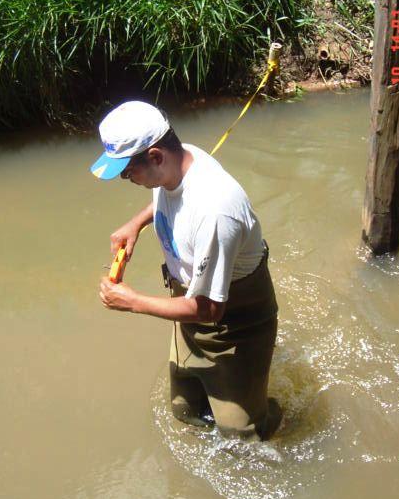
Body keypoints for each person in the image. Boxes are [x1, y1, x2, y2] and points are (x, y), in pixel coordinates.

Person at [91, 101, 282, 440]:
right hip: (188, 309)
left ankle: (272, 410)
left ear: (155, 156)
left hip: (233, 325)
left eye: (125, 171)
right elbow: (168, 194)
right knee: (185, 411)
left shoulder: (216, 211)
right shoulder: (179, 159)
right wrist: (136, 223)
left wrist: (131, 301)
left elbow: (210, 309)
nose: (126, 179)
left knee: (243, 437)